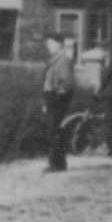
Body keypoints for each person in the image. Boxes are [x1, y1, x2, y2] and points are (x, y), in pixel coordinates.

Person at [41, 33, 75, 173]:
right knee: (54, 131)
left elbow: (67, 82)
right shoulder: (55, 59)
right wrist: (45, 101)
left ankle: (56, 164)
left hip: (56, 99)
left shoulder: (63, 60)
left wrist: (57, 97)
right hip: (51, 98)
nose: (48, 46)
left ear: (58, 44)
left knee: (54, 131)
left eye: (50, 43)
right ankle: (58, 163)